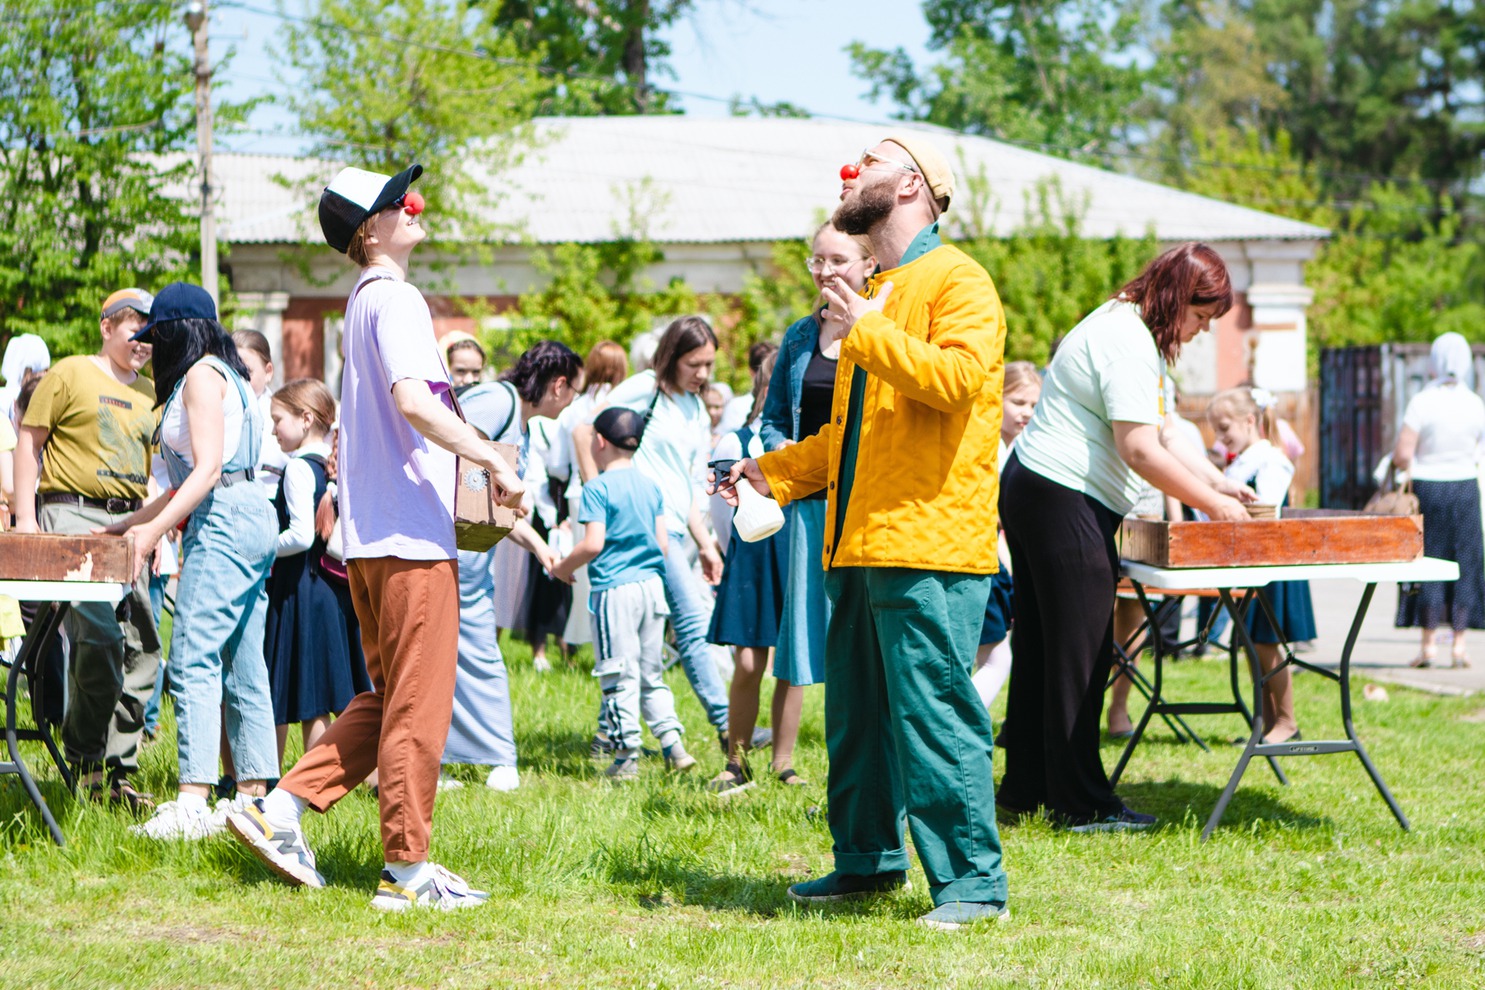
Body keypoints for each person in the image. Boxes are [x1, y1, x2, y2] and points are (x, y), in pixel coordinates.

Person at [721, 134, 1009, 930]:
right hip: (857, 544)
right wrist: (768, 472)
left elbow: (955, 383)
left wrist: (865, 331)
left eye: (871, 161)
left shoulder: (958, 280)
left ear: (911, 184)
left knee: (934, 715)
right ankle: (866, 865)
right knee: (854, 719)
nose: (851, 171)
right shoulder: (878, 289)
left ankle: (973, 887)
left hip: (927, 545)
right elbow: (851, 435)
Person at [227, 163, 523, 909]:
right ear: (370, 227)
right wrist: (488, 455)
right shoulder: (395, 298)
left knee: (391, 697)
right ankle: (405, 872)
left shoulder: (362, 301)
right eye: (396, 201)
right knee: (419, 708)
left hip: (371, 537)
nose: (411, 206)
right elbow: (415, 403)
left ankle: (279, 807)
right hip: (407, 536)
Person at [996, 242, 1252, 834]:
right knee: (1080, 655)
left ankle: (1028, 787)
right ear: (1177, 298)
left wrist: (1218, 480)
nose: (1199, 332)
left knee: (1045, 646)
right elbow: (1137, 448)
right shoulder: (1127, 340)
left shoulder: (1128, 326)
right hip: (1061, 496)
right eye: (1200, 317)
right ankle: (1080, 804)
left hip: (1044, 491)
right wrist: (1208, 504)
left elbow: (1161, 427)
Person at [96, 283, 279, 839]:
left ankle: (193, 798)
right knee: (244, 659)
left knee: (195, 654)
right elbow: (193, 477)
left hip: (223, 515)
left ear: (180, 330)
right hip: (251, 510)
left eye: (159, 335)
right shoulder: (230, 376)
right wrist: (132, 522)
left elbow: (203, 473)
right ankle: (252, 798)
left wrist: (149, 535)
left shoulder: (200, 375)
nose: (153, 348)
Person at [12, 288, 162, 813]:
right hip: (72, 513)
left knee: (143, 649)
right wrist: (26, 520)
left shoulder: (151, 391)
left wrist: (157, 531)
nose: (142, 342)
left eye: (149, 334)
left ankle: (119, 770)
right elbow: (30, 439)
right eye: (133, 330)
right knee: (97, 634)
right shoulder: (72, 373)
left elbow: (157, 470)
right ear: (106, 327)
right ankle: (85, 758)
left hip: (131, 521)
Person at [576, 317, 732, 750]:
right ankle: (727, 727)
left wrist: (705, 543)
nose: (702, 374)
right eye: (693, 363)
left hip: (676, 530)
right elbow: (584, 428)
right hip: (640, 530)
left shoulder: (696, 408)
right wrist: (599, 492)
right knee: (692, 626)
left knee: (640, 641)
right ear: (671, 356)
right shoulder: (644, 387)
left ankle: (610, 735)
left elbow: (683, 481)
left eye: (708, 364)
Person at [758, 223, 875, 770]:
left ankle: (852, 762)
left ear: (869, 265)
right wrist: (787, 454)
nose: (826, 271)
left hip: (867, 499)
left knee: (861, 633)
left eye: (838, 259)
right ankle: (783, 762)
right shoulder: (799, 336)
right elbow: (774, 418)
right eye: (817, 261)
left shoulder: (881, 330)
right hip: (808, 504)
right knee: (801, 626)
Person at [442, 340, 582, 791]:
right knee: (457, 657)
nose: (574, 398)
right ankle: (464, 760)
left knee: (476, 654)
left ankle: (489, 756)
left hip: (469, 553)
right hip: (450, 551)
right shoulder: (499, 398)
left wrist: (543, 552)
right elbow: (445, 441)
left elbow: (498, 509)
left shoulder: (513, 413)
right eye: (575, 389)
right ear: (559, 386)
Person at [552, 407, 697, 779]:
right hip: (652, 587)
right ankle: (674, 747)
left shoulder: (596, 488)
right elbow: (663, 544)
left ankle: (625, 756)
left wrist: (562, 567)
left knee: (617, 672)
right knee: (652, 673)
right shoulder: (650, 486)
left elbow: (593, 543)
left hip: (614, 590)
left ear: (600, 442)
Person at [263, 378, 371, 765]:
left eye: (278, 419)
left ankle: (275, 778)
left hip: (300, 588)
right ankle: (361, 776)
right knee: (329, 689)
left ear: (305, 418)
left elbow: (301, 535)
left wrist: (259, 548)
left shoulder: (297, 469)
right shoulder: (333, 463)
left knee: (295, 689)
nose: (273, 428)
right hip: (332, 586)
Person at [707, 351, 801, 795]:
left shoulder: (801, 445)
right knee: (747, 661)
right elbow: (719, 510)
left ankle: (784, 761)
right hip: (750, 555)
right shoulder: (734, 441)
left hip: (792, 553)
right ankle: (736, 759)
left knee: (791, 661)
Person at [1208, 386, 1313, 742]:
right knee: (1251, 643)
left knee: (1267, 642)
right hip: (1247, 564)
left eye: (1225, 428)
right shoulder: (1240, 461)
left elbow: (1265, 507)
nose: (1221, 438)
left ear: (1249, 420)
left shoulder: (1271, 460)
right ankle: (1266, 723)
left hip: (1270, 564)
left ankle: (1287, 722)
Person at [1393, 331, 1485, 668]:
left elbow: (1403, 454)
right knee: (1465, 562)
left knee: (1429, 561)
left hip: (1428, 488)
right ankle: (1459, 645)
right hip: (1464, 487)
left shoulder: (1422, 401)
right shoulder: (1475, 403)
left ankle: (1428, 645)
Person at [972, 361, 1041, 714]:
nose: (1026, 413)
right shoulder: (989, 449)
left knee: (994, 657)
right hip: (984, 561)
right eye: (1018, 402)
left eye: (1033, 405)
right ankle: (956, 731)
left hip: (997, 563)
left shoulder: (1017, 449)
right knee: (997, 660)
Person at [553, 341, 629, 652]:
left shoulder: (574, 407)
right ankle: (604, 642)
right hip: (612, 490)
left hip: (577, 493)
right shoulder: (622, 402)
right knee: (611, 567)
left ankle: (572, 640)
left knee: (582, 570)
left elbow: (557, 464)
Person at [232, 330, 289, 502]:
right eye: (232, 370)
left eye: (246, 371)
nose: (239, 378)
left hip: (274, 503)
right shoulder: (221, 410)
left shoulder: (285, 413)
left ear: (268, 371)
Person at [1, 333, 50, 427]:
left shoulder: (3, 397)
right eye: (44, 370)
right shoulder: (33, 403)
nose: (46, 375)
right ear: (29, 372)